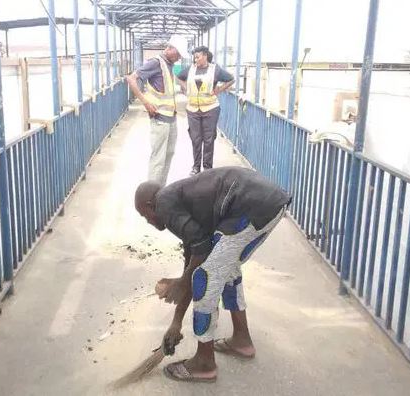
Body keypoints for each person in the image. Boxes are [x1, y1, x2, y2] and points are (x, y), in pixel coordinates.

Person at [134, 167, 291, 382]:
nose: (149, 221)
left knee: (203, 280)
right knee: (226, 269)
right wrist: (176, 322)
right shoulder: (179, 200)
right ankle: (242, 341)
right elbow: (193, 255)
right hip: (268, 203)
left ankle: (204, 363)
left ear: (151, 205)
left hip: (251, 207)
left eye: (145, 215)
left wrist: (183, 282)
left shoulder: (164, 204)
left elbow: (196, 265)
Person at [126, 35, 189, 185]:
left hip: (171, 117)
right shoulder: (155, 63)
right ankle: (151, 195)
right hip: (160, 118)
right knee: (158, 158)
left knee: (168, 154)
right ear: (170, 48)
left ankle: (160, 190)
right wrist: (145, 102)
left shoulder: (169, 65)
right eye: (178, 54)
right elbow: (131, 79)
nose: (179, 57)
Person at [177, 46, 235, 176]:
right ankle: (196, 167)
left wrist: (220, 89)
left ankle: (207, 168)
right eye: (194, 57)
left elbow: (231, 79)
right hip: (192, 109)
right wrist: (185, 87)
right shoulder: (191, 69)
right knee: (195, 139)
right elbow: (179, 77)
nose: (195, 59)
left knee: (208, 139)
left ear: (205, 56)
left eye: (198, 57)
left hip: (210, 108)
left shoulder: (215, 69)